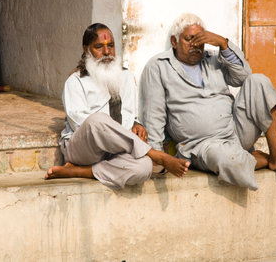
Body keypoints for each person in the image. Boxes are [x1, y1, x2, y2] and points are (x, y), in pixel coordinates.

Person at [140, 13, 276, 190]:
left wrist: (224, 44)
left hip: (235, 132)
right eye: (189, 39)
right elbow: (153, 113)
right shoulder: (158, 66)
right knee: (229, 162)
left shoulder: (213, 58)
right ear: (174, 41)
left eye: (200, 40)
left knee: (258, 81)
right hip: (202, 145)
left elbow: (243, 77)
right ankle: (263, 159)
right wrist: (156, 157)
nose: (195, 45)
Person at [45, 23, 190, 189]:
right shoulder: (75, 81)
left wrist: (136, 124)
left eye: (111, 46)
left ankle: (80, 172)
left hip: (116, 150)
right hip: (83, 148)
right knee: (97, 120)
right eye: (99, 47)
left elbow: (128, 116)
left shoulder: (126, 77)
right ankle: (155, 154)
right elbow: (83, 126)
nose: (107, 52)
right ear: (86, 50)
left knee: (143, 168)